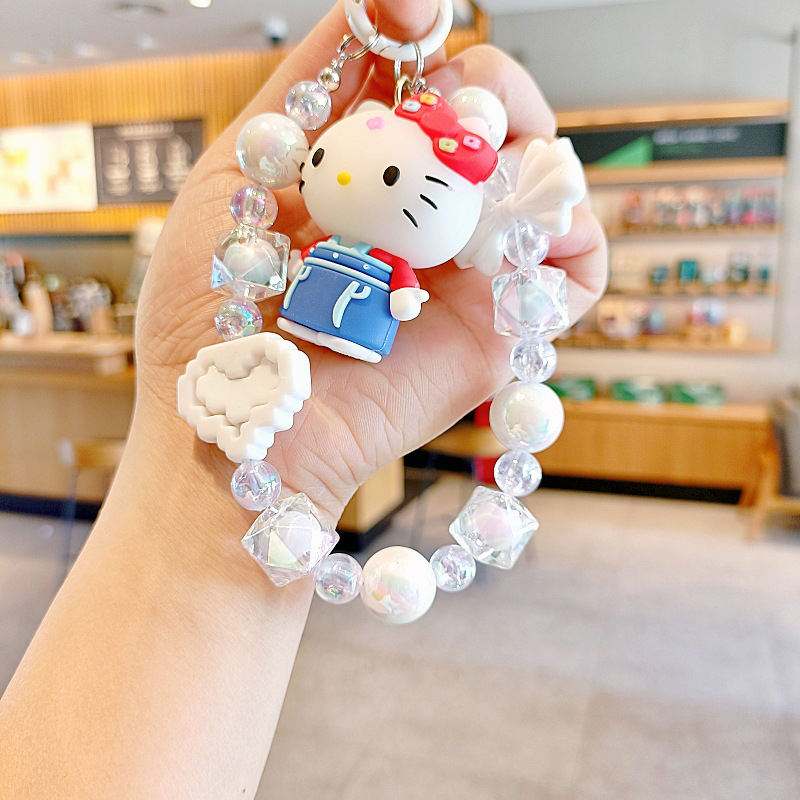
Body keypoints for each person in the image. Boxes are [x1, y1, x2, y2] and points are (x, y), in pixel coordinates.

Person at [0, 1, 607, 796]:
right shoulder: (306, 238)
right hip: (303, 310)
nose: (347, 177)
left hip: (358, 318)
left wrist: (404, 306)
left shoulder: (422, 249)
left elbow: (403, 285)